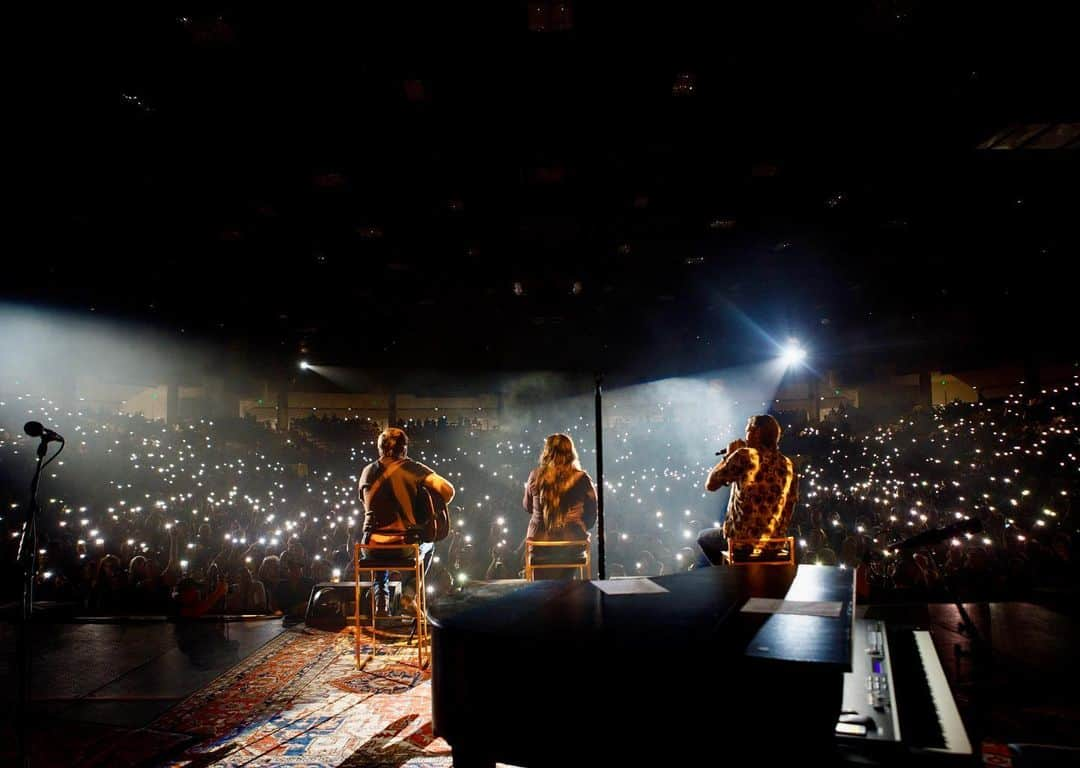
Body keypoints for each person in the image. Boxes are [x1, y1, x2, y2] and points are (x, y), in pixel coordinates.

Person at [358, 427, 455, 615]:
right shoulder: (411, 468)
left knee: (380, 547)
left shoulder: (366, 471)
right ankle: (409, 594)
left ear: (379, 449)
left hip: (370, 548)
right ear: (404, 449)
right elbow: (448, 491)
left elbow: (365, 503)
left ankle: (381, 601)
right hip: (403, 546)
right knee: (429, 545)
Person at [697, 414, 799, 565]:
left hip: (742, 544)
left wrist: (728, 456)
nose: (745, 436)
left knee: (703, 537)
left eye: (747, 431)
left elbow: (710, 485)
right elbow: (790, 506)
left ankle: (725, 575)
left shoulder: (744, 456)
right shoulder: (788, 465)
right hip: (776, 544)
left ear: (755, 433)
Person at [523, 433, 597, 577]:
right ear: (571, 453)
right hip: (572, 545)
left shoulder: (535, 475)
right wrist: (580, 526)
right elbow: (592, 513)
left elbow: (527, 507)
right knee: (566, 578)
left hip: (540, 545)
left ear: (547, 453)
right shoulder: (582, 478)